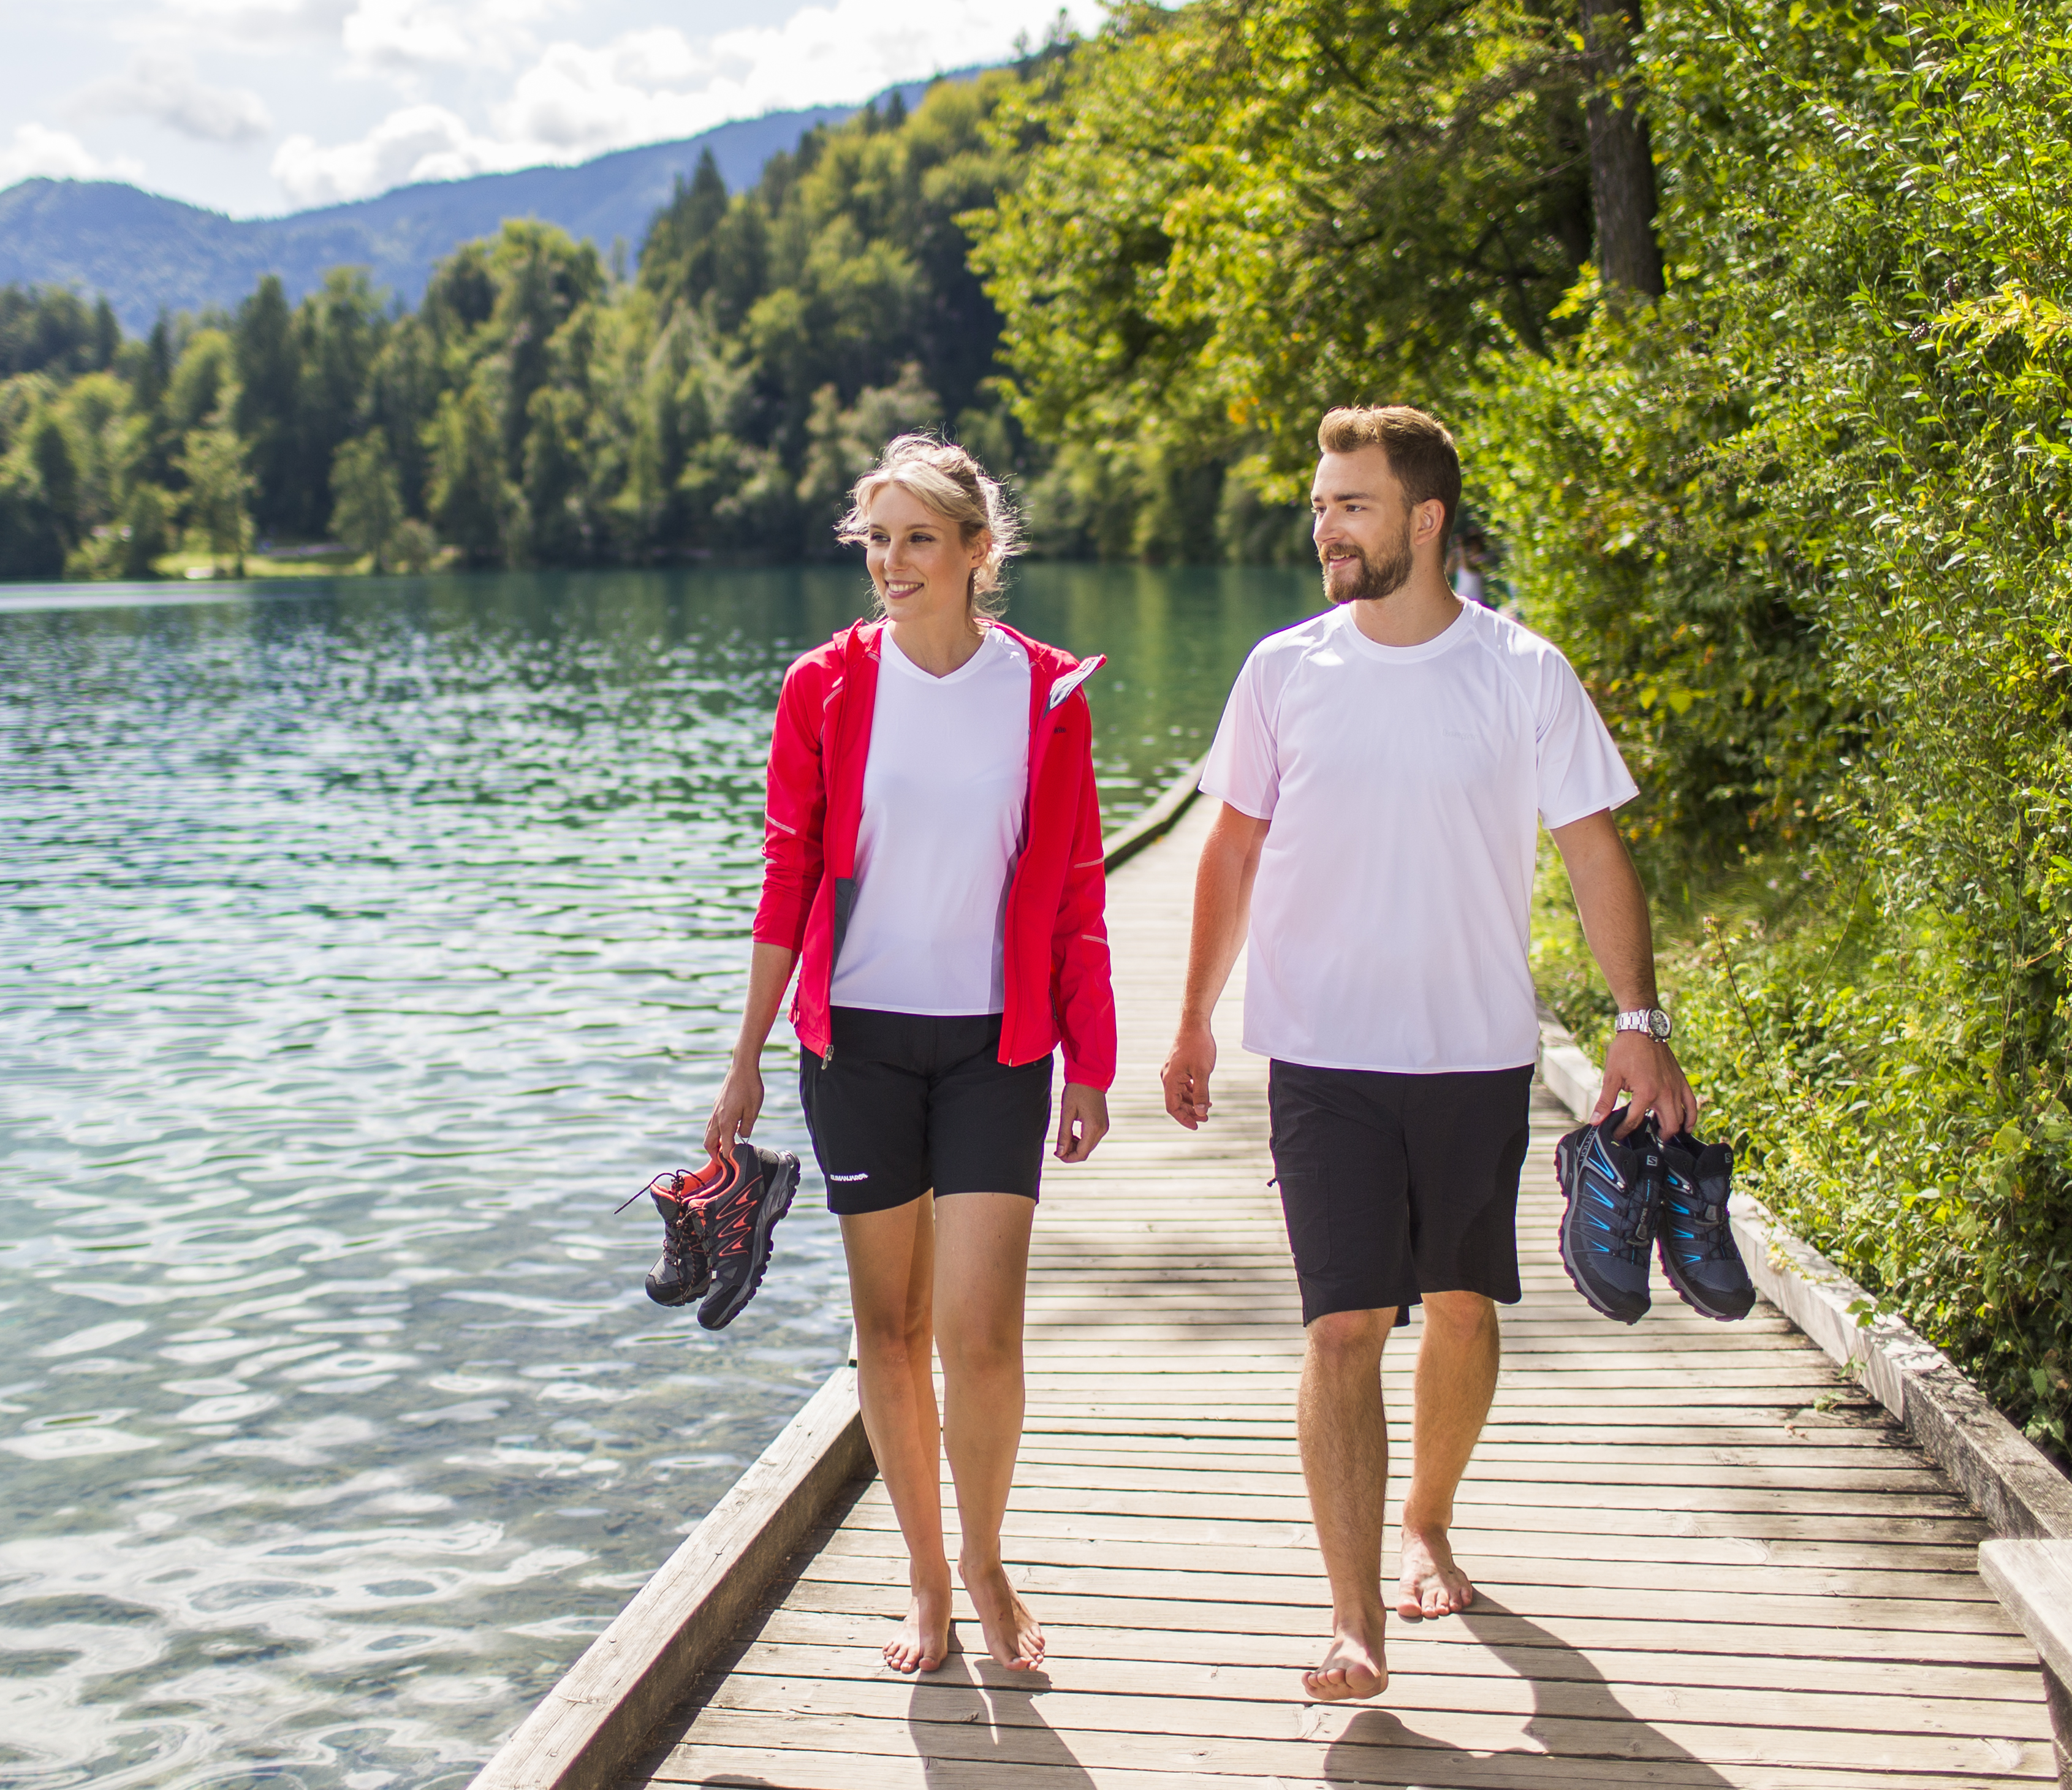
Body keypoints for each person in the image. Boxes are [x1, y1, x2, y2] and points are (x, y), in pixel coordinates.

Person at [1159, 404, 1698, 1705]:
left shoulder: (1521, 671)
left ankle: (1428, 1515)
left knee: (1460, 1305)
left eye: (1350, 502)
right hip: (1322, 1058)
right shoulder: (1285, 669)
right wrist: (1190, 1016)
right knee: (1343, 1322)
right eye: (1320, 503)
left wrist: (1640, 1020)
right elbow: (1230, 846)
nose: (1326, 526)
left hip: (1469, 1052)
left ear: (1425, 518)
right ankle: (1353, 1621)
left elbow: (1591, 848)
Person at [705, 433, 1116, 1674]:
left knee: (981, 1333)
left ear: (978, 552)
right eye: (875, 539)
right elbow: (786, 876)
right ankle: (927, 1583)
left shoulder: (1044, 690)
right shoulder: (823, 684)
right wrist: (745, 1059)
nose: (891, 562)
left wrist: (1088, 1060)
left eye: (918, 538)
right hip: (861, 1048)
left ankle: (986, 1558)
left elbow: (1081, 888)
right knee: (887, 1331)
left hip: (998, 1047)